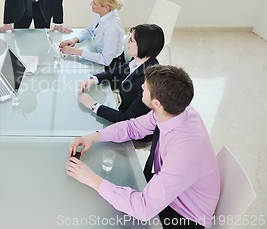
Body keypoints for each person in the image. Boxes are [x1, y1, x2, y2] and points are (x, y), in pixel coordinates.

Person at [66, 65, 220, 229]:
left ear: (156, 102)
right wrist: (93, 137)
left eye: (145, 87)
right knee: (106, 198)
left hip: (183, 216)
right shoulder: (175, 110)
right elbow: (132, 128)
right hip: (172, 191)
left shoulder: (184, 152)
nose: (141, 87)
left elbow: (144, 208)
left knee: (102, 214)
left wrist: (91, 178)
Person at [77, 24, 165, 131]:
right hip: (121, 110)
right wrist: (93, 80)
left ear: (143, 46)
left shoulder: (146, 84)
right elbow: (119, 70)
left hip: (133, 130)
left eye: (131, 40)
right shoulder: (140, 61)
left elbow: (126, 119)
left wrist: (94, 105)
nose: (127, 41)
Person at [59, 0, 125, 70]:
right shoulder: (103, 14)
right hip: (98, 54)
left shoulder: (111, 27)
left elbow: (106, 60)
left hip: (111, 66)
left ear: (106, 8)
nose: (91, 4)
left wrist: (77, 52)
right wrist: (75, 40)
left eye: (94, 3)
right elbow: (90, 30)